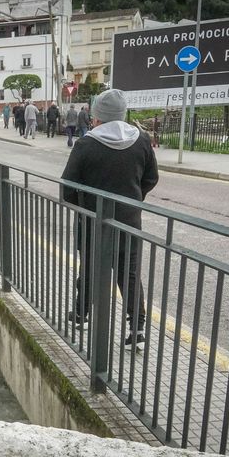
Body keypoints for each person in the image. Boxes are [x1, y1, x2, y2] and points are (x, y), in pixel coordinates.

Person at [60, 89, 158, 347]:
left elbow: (67, 187)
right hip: (129, 220)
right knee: (130, 273)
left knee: (91, 268)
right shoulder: (142, 140)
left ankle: (81, 314)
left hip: (93, 220)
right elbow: (151, 179)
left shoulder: (86, 144)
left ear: (97, 117)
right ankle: (137, 330)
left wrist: (82, 208)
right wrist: (133, 202)